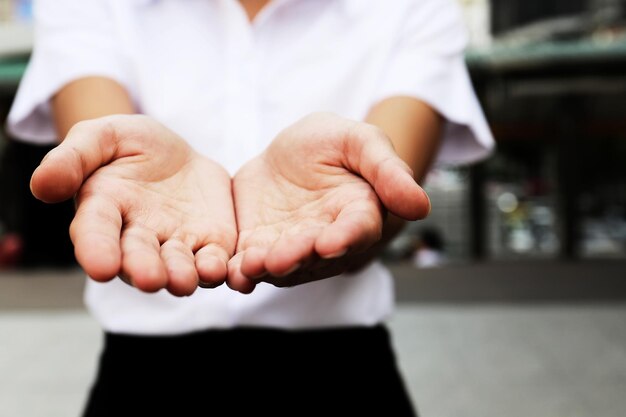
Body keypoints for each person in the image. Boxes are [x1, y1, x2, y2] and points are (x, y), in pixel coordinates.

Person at [6, 0, 495, 415]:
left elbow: (388, 188)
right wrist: (122, 164)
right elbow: (103, 135)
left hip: (346, 372)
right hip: (141, 376)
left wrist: (357, 191)